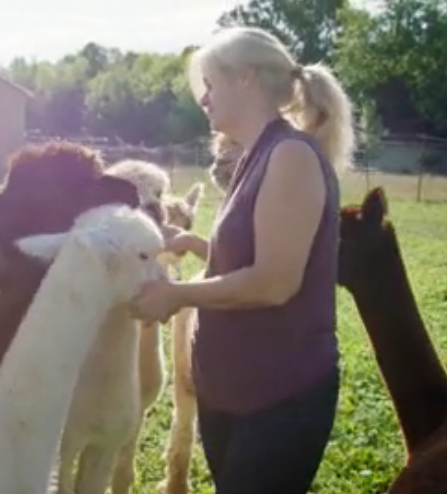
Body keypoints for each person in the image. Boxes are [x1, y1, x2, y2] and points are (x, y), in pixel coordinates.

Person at [130, 26, 355, 494]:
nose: (204, 99)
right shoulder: (259, 154)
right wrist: (195, 244)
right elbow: (253, 258)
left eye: (211, 85)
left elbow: (275, 281)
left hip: (278, 398)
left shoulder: (290, 155)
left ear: (247, 79)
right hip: (233, 392)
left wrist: (177, 294)